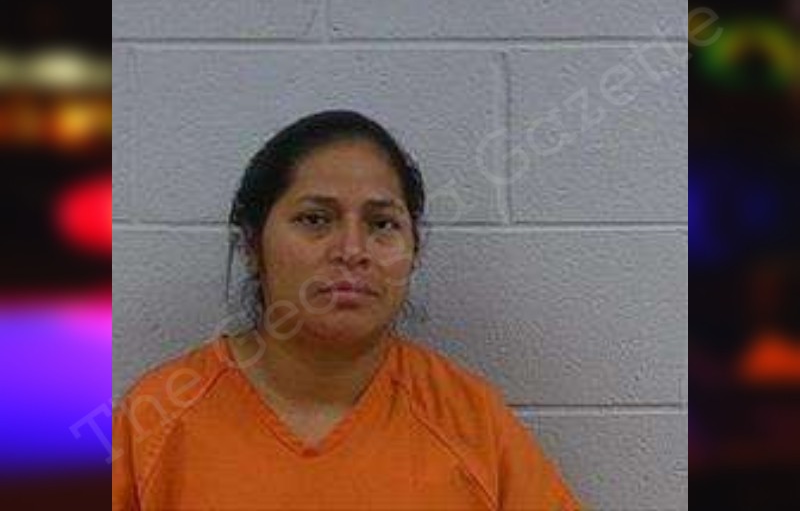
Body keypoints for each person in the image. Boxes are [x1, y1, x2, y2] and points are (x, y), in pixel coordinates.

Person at [112, 110, 581, 510]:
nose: (352, 250)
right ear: (253, 245)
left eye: (382, 224)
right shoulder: (156, 421)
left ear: (414, 249)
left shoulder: (471, 422)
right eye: (315, 219)